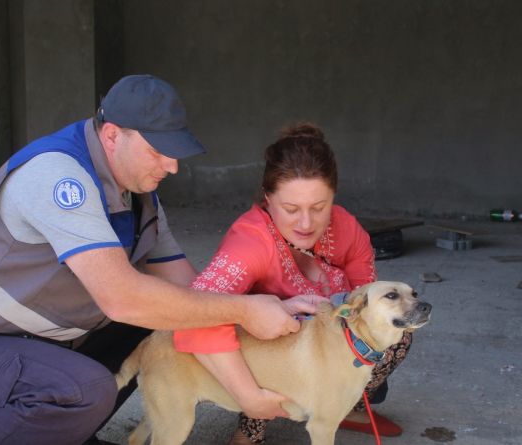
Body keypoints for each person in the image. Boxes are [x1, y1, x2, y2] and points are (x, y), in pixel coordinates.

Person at [0, 74, 319, 445]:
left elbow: (191, 292)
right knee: (85, 390)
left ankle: (66, 430)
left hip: (32, 340)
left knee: (165, 322)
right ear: (113, 136)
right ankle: (63, 414)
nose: (172, 166)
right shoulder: (58, 177)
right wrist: (246, 311)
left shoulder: (139, 196)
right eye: (160, 151)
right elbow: (123, 299)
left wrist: (267, 316)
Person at [173, 123, 414, 444]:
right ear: (268, 198)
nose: (305, 223)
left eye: (319, 207)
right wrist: (249, 397)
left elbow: (369, 305)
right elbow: (192, 318)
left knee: (398, 335)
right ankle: (252, 425)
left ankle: (345, 405)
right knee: (264, 339)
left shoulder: (348, 229)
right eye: (290, 209)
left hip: (329, 342)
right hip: (271, 350)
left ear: (333, 197)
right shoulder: (249, 244)